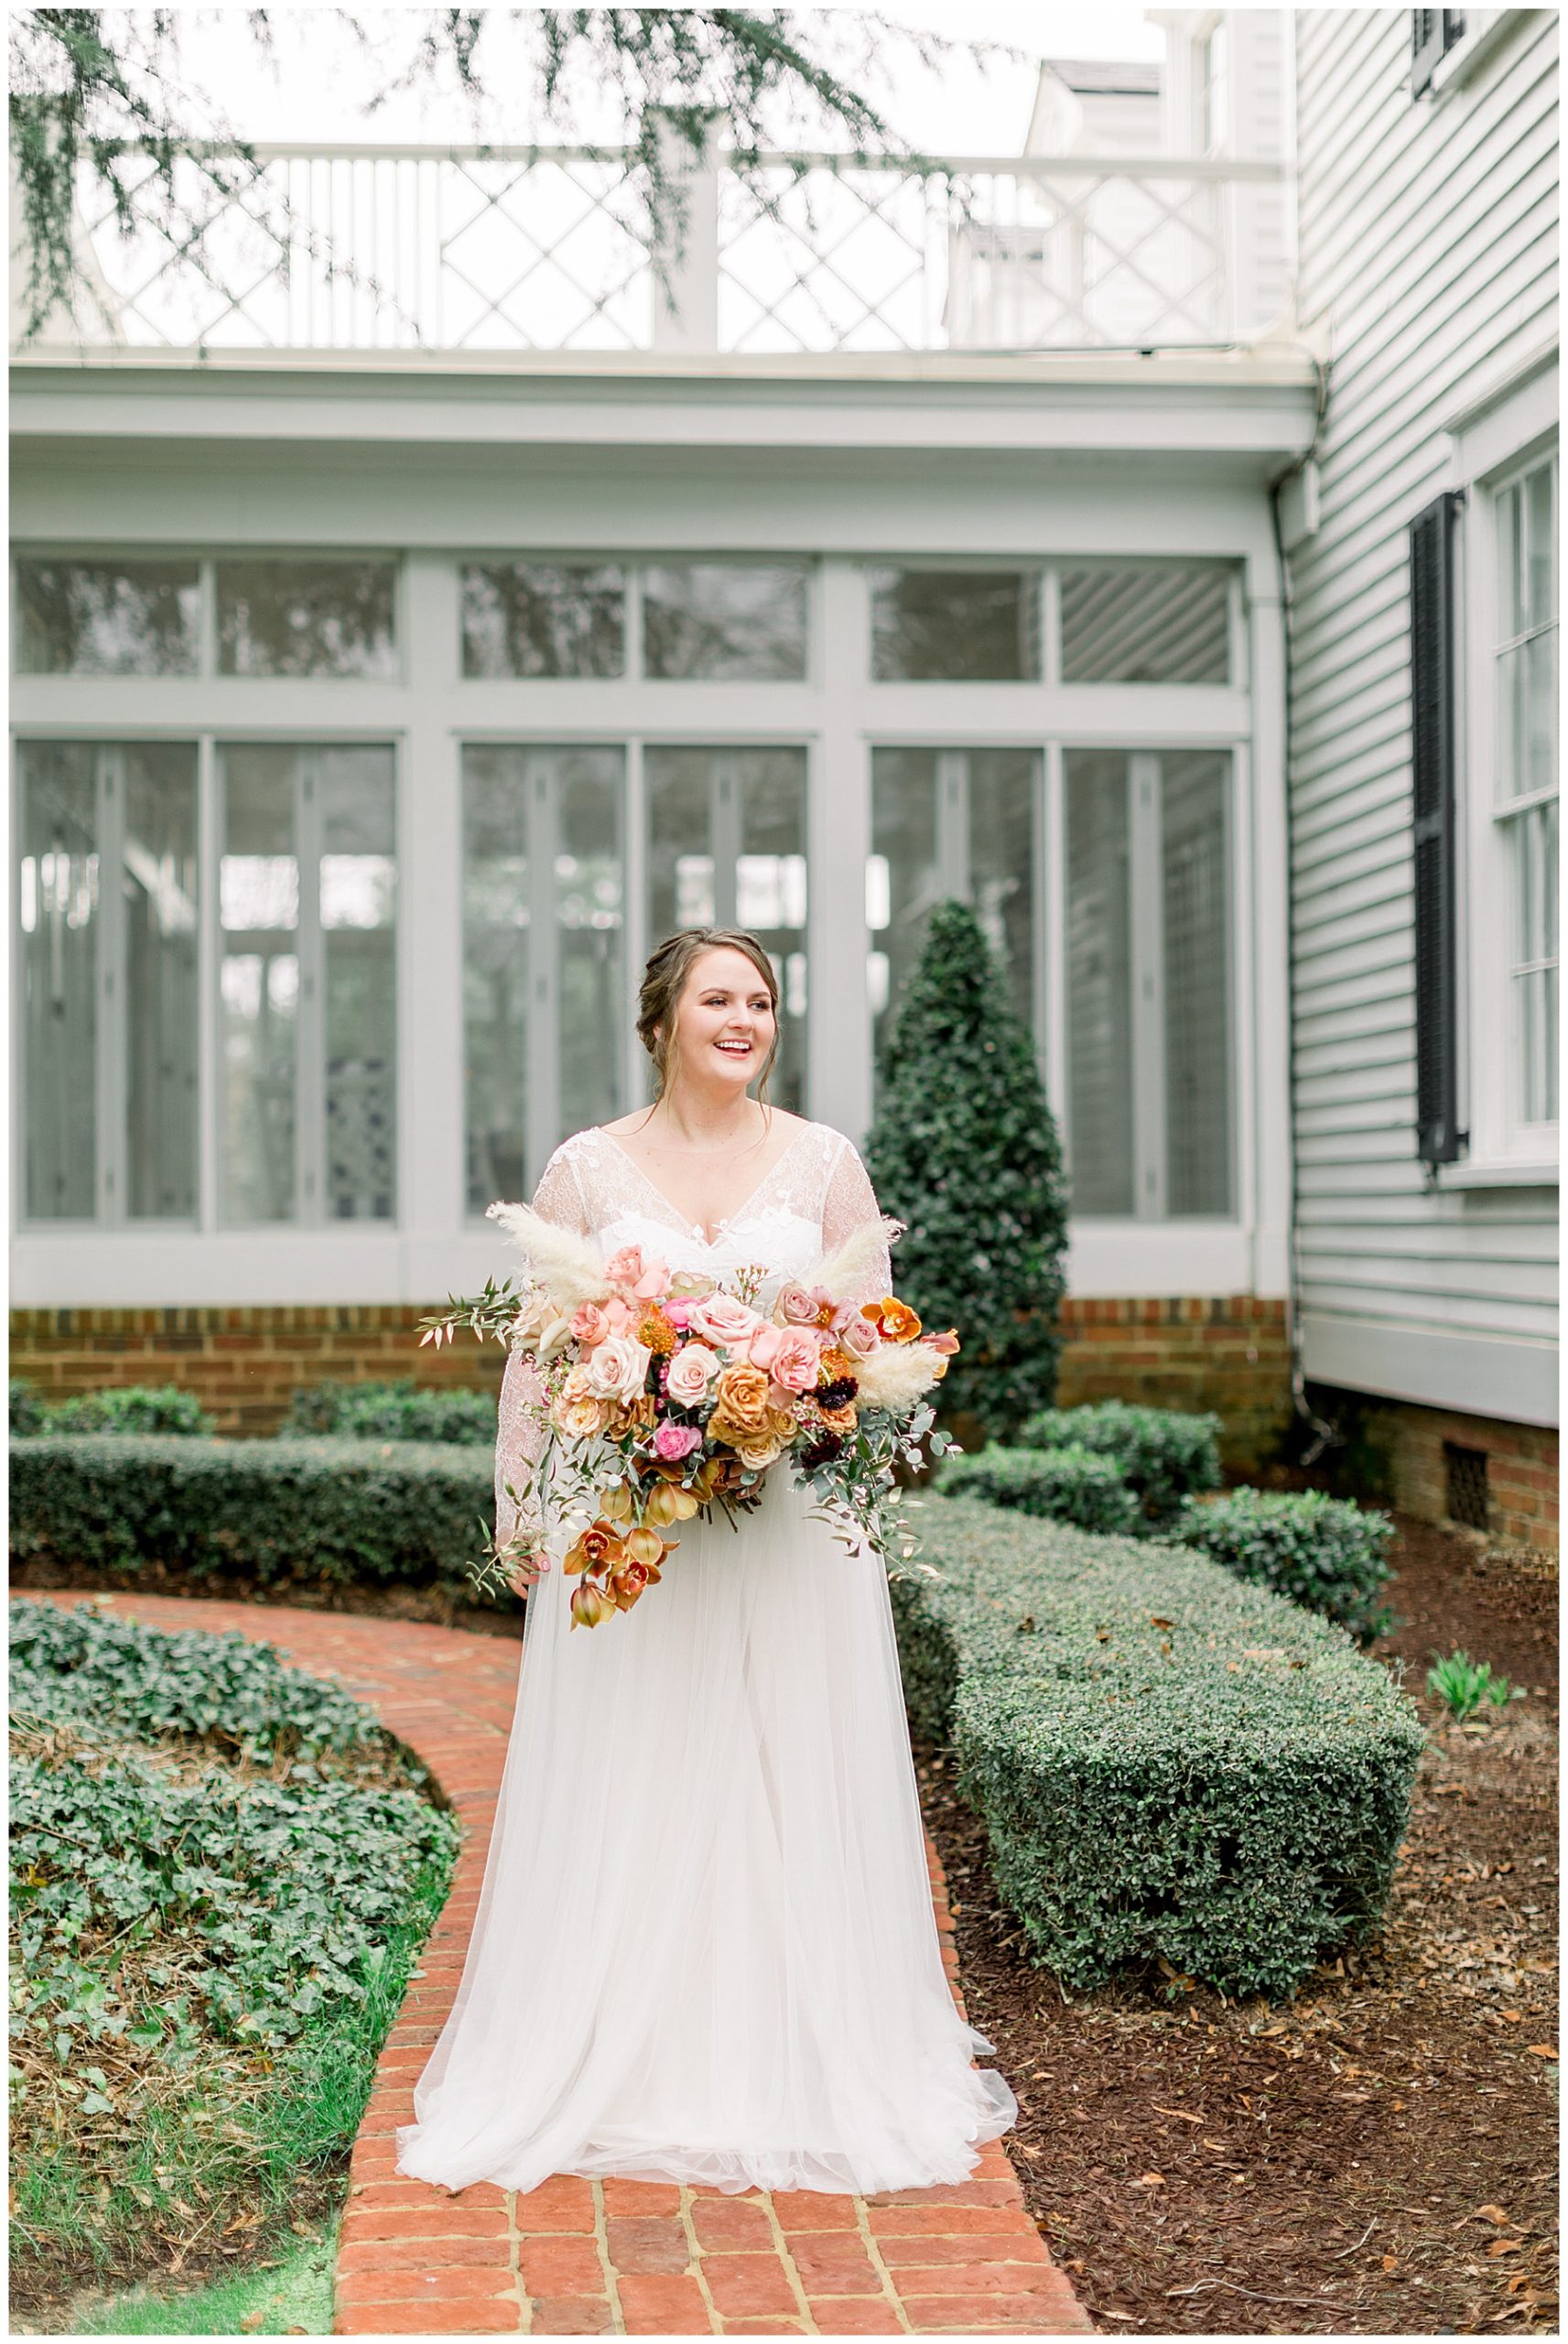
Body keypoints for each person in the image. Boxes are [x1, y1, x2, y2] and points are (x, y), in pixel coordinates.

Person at [395, 926, 1017, 2198]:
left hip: (785, 1526)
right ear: (663, 1019)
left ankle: (799, 2050)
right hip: (631, 1528)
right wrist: (524, 1512)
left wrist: (804, 1400)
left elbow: (870, 1331)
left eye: (762, 999)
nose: (744, 1017)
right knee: (643, 1763)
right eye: (718, 998)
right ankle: (627, 2057)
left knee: (789, 1764)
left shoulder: (823, 1161)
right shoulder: (587, 1168)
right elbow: (539, 1353)